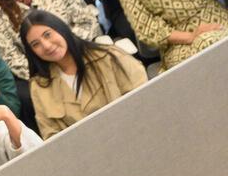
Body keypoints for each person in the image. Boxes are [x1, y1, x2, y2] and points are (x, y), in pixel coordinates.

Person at [21, 10, 147, 140]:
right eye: (36, 44)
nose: (46, 46)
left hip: (133, 135)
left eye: (47, 35)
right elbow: (51, 136)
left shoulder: (109, 56)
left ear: (60, 29)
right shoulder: (39, 86)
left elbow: (145, 99)